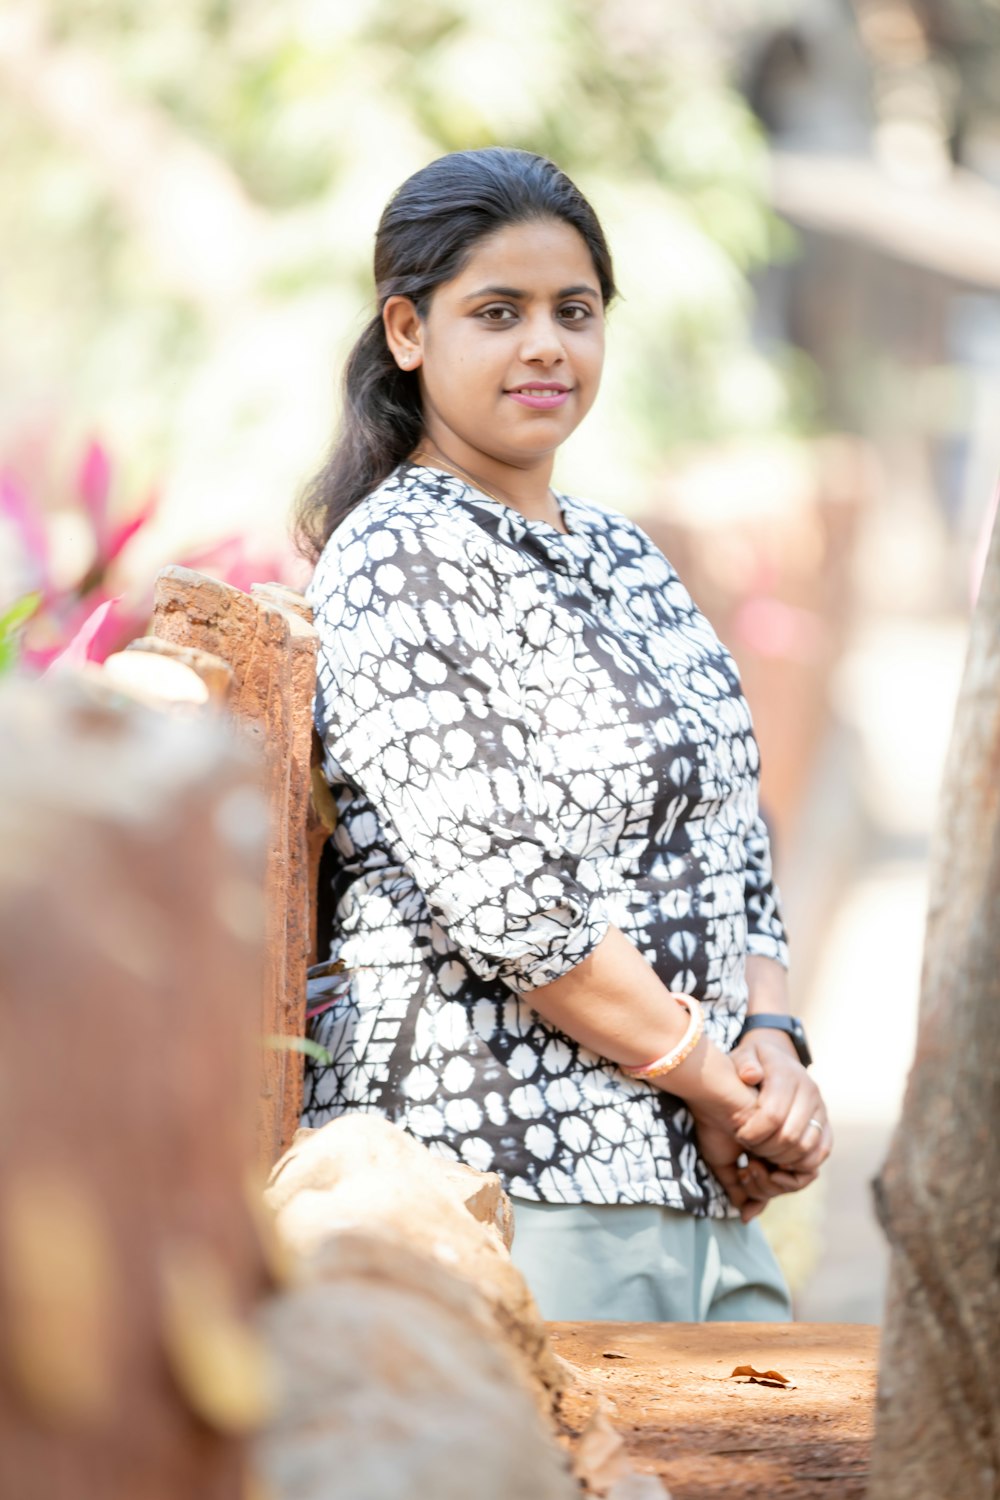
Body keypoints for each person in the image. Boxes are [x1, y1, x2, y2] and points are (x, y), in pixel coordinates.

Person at [296, 146, 832, 1322]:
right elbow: (511, 903)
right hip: (499, 1186)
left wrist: (777, 1048)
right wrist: (715, 1082)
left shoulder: (624, 553)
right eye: (500, 312)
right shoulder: (400, 560)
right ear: (406, 332)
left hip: (698, 1181)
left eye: (573, 312)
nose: (546, 345)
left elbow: (733, 835)